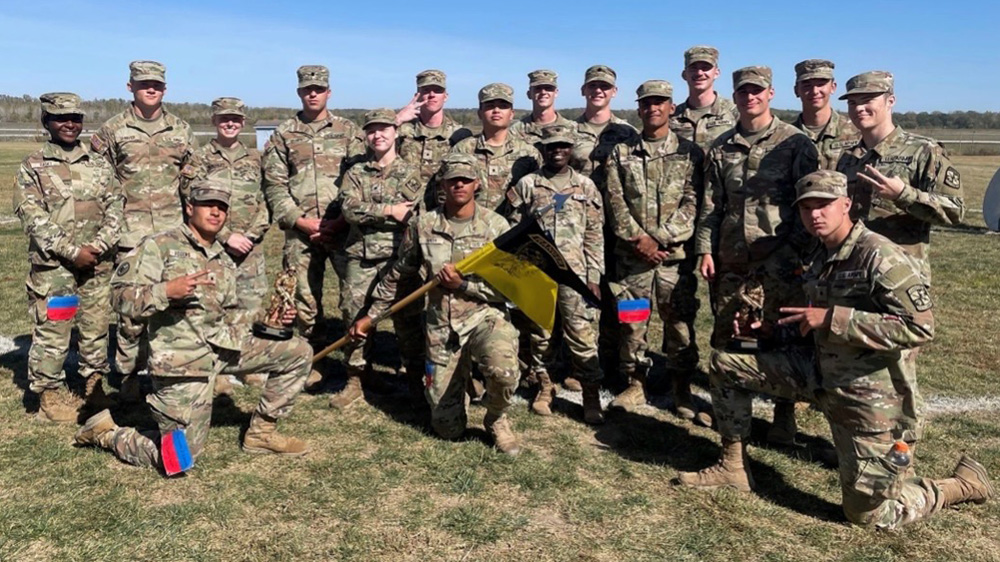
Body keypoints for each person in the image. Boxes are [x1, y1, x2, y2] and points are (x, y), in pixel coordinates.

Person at [678, 170, 994, 529]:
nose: (815, 214)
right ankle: (733, 466)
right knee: (726, 363)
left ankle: (960, 486)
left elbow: (920, 326)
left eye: (825, 205)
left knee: (868, 515)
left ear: (846, 205)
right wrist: (769, 332)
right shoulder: (818, 253)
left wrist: (833, 318)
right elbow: (812, 324)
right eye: (807, 208)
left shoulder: (878, 254)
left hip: (869, 396)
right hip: (817, 372)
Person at [74, 180, 313, 471]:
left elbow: (229, 313)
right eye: (208, 204)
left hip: (223, 348)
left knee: (297, 351)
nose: (216, 211)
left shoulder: (223, 259)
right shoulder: (159, 246)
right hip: (181, 362)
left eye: (222, 207)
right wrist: (165, 292)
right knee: (179, 460)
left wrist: (267, 321)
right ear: (189, 208)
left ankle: (261, 433)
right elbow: (119, 297)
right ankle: (106, 433)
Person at [347, 153, 522, 455]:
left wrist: (464, 285)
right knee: (446, 428)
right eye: (452, 179)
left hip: (484, 319)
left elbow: (513, 289)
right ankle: (459, 388)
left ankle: (496, 417)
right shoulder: (423, 225)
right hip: (441, 328)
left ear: (476, 184)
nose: (459, 185)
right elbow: (399, 274)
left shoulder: (496, 226)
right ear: (441, 183)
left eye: (465, 180)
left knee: (502, 370)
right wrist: (371, 317)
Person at [695, 66, 819, 443]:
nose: (750, 97)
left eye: (758, 91)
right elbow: (711, 206)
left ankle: (784, 421)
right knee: (730, 334)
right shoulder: (721, 147)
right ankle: (732, 418)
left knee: (784, 337)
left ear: (771, 94)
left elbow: (808, 205)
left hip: (781, 262)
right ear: (734, 97)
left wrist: (792, 250)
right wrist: (705, 249)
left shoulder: (795, 144)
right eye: (744, 92)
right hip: (732, 259)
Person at [90, 60, 196, 402]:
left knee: (173, 306)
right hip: (130, 235)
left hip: (172, 235)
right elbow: (98, 181)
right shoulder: (113, 130)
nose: (151, 88)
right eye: (143, 83)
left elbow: (192, 182)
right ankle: (128, 376)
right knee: (132, 312)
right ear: (130, 87)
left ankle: (170, 372)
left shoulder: (180, 129)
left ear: (165, 89)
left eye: (157, 84)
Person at [13, 92, 122, 421]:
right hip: (57, 270)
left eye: (76, 118)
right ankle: (49, 395)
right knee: (55, 329)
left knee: (95, 326)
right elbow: (33, 218)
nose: (70, 124)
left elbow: (116, 208)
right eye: (61, 118)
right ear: (46, 122)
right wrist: (73, 252)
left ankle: (93, 385)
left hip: (96, 267)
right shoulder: (33, 167)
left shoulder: (99, 165)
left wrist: (99, 247)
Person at [262, 65, 366, 388]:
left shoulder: (349, 131)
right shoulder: (283, 134)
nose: (313, 93)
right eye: (308, 89)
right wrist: (300, 221)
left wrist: (338, 221)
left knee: (355, 299)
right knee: (304, 303)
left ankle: (357, 370)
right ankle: (311, 360)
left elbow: (362, 178)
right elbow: (274, 186)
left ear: (328, 92)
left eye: (319, 89)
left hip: (343, 229)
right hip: (301, 233)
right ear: (299, 92)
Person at [604, 80, 702, 418]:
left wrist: (659, 238)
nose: (653, 108)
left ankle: (681, 387)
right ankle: (636, 383)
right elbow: (615, 204)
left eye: (660, 102)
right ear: (639, 108)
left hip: (674, 261)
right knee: (632, 323)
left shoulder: (690, 153)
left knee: (679, 323)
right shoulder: (622, 153)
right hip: (633, 261)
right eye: (646, 103)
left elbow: (693, 204)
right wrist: (639, 241)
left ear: (671, 108)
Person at [506, 125, 605, 424]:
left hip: (575, 273)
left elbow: (594, 233)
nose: (557, 151)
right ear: (542, 150)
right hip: (539, 274)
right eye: (551, 146)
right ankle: (545, 387)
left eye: (563, 146)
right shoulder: (527, 184)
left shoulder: (585, 186)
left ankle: (591, 395)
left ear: (571, 148)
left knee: (582, 334)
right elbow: (513, 231)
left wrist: (594, 276)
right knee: (541, 333)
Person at [329, 108, 427, 409]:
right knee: (355, 318)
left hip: (399, 259)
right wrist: (389, 211)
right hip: (360, 257)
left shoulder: (411, 173)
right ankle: (357, 379)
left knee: (408, 322)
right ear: (366, 136)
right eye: (372, 130)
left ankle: (415, 382)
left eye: (384, 128)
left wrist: (376, 211)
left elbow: (413, 215)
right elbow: (349, 210)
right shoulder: (355, 172)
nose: (378, 135)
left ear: (395, 132)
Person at [836, 70, 965, 282]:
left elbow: (955, 211)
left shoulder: (923, 151)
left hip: (900, 278)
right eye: (852, 102)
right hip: (852, 276)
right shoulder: (848, 159)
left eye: (868, 99)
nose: (859, 108)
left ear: (891, 101)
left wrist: (903, 195)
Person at [181, 97, 269, 394]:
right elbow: (190, 201)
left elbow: (268, 200)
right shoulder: (200, 158)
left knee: (250, 307)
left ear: (243, 122)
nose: (229, 123)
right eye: (223, 119)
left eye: (235, 119)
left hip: (250, 248)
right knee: (212, 307)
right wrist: (225, 235)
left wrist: (251, 235)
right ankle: (215, 369)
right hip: (213, 246)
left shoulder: (256, 158)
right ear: (214, 122)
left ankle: (247, 364)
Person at [571, 64, 640, 393]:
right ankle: (584, 363)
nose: (598, 91)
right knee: (587, 296)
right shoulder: (570, 132)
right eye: (592, 86)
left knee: (626, 300)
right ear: (584, 91)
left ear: (614, 92)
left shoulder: (628, 133)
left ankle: (627, 367)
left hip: (621, 229)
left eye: (605, 87)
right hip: (583, 231)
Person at [450, 83, 541, 214]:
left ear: (511, 114)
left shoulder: (528, 153)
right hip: (471, 229)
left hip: (512, 229)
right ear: (480, 113)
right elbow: (446, 193)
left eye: (503, 106)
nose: (496, 110)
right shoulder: (463, 150)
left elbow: (537, 195)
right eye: (490, 106)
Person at [395, 69, 472, 207]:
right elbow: (372, 152)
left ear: (446, 96)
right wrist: (397, 120)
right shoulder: (401, 131)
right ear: (417, 96)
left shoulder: (459, 135)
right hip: (404, 212)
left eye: (437, 90)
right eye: (426, 90)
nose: (431, 95)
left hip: (442, 215)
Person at [792, 59, 860, 170]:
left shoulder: (857, 132)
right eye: (807, 85)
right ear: (796, 91)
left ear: (833, 87)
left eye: (821, 84)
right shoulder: (785, 137)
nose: (814, 91)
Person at [669, 46, 738, 150]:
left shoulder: (734, 113)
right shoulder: (672, 117)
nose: (699, 73)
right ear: (684, 74)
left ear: (716, 73)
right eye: (693, 68)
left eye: (706, 68)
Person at [510, 69, 576, 151]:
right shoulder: (515, 131)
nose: (543, 92)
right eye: (538, 88)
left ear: (556, 93)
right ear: (529, 94)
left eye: (548, 88)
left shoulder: (572, 129)